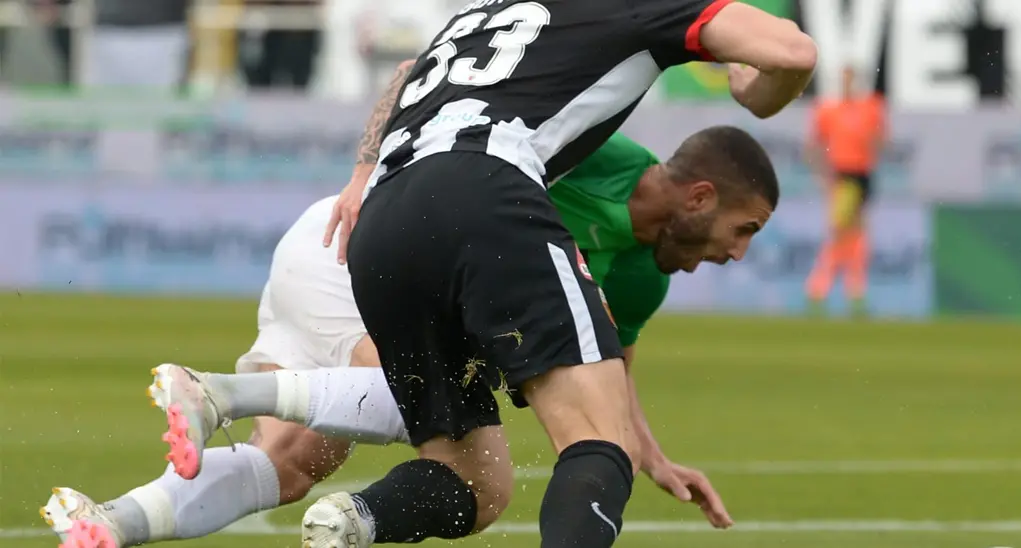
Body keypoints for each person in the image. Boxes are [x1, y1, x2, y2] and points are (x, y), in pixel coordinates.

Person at [180, 2, 813, 547]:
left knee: (475, 480)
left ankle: (353, 516)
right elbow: (793, 51)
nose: (737, 252)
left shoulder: (483, 13)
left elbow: (408, 77)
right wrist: (751, 92)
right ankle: (236, 406)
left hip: (387, 215)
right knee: (598, 441)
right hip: (485, 187)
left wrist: (361, 172)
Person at [42, 127, 774, 548]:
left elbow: (606, 375)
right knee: (473, 467)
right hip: (362, 254)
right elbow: (426, 98)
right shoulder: (595, 146)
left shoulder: (647, 278)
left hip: (341, 262)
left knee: (294, 462)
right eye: (744, 230)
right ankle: (224, 397)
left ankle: (111, 522)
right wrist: (369, 166)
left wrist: (650, 456)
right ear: (700, 196)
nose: (739, 253)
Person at [804, 65, 887, 317]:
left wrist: (871, 145)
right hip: (843, 177)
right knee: (842, 235)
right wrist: (823, 175)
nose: (847, 84)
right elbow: (814, 146)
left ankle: (849, 292)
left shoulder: (870, 108)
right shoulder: (829, 111)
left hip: (862, 176)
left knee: (856, 236)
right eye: (844, 79)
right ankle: (821, 290)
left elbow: (880, 141)